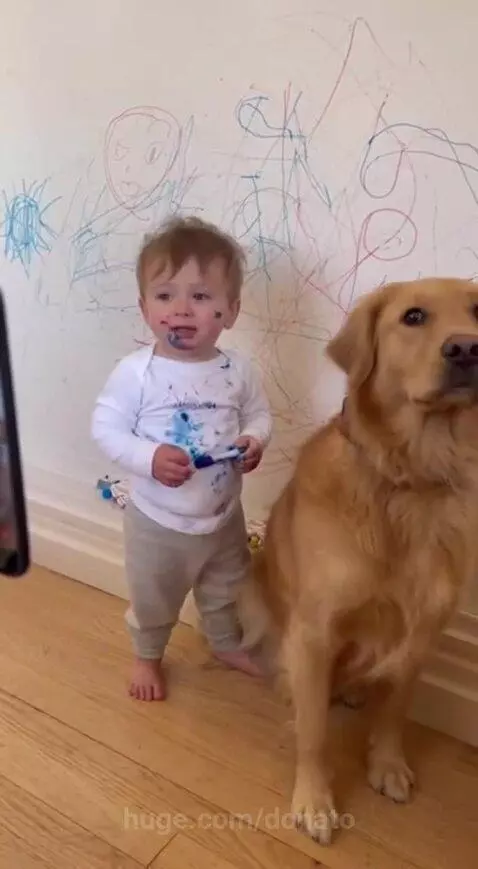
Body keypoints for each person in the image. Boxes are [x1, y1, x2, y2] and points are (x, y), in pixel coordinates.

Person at [91, 216, 272, 700]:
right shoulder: (136, 374)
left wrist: (255, 440)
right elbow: (105, 428)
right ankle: (147, 655)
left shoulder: (239, 370)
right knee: (155, 597)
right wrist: (149, 457)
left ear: (230, 311)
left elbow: (258, 415)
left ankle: (226, 644)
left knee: (227, 588)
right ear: (144, 307)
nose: (181, 311)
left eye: (201, 296)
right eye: (165, 295)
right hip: (158, 524)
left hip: (223, 518)